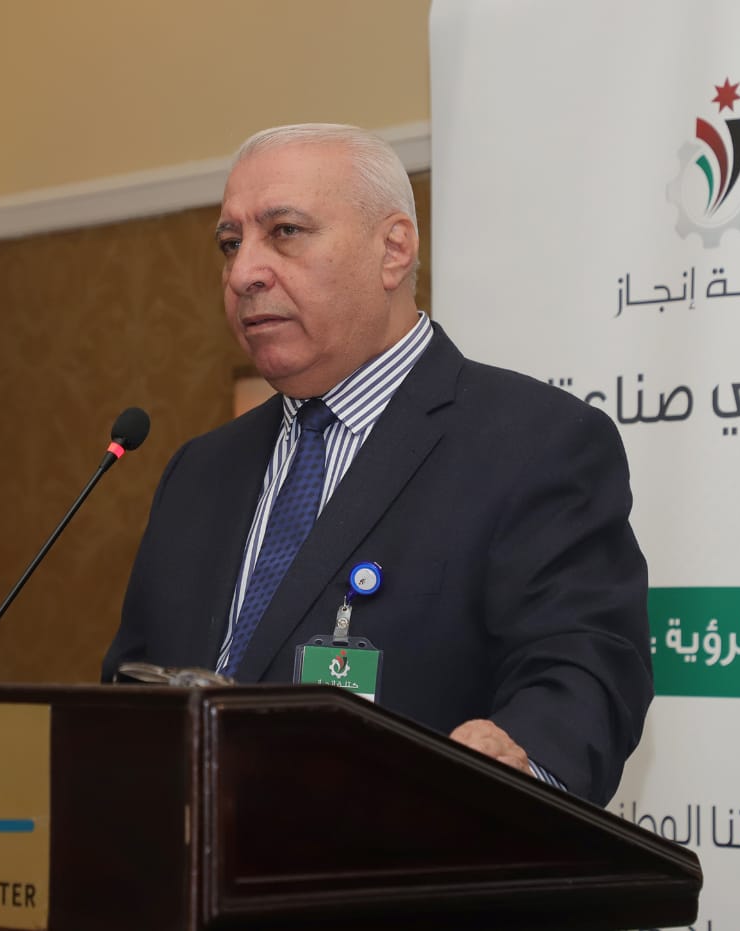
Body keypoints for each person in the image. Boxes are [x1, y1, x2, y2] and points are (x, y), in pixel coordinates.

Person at [102, 123, 651, 806]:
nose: (243, 273)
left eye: (285, 232)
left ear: (393, 250)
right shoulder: (199, 471)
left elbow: (585, 668)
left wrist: (520, 759)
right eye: (230, 243)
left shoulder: (536, 444)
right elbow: (128, 690)